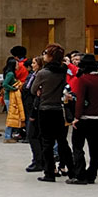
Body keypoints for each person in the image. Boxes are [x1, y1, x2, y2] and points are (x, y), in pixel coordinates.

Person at [31, 43, 74, 182]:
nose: (43, 55)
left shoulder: (43, 73)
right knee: (62, 142)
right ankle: (72, 170)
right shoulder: (63, 71)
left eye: (45, 53)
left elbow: (33, 90)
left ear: (50, 56)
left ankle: (49, 172)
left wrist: (41, 90)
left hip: (45, 109)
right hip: (59, 109)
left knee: (47, 142)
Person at [68, 54, 98, 185]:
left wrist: (76, 117)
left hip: (84, 118)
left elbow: (80, 100)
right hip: (97, 117)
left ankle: (80, 175)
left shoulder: (84, 80)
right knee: (95, 149)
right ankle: (92, 174)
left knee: (78, 147)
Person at [23, 56, 44, 172]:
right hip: (30, 105)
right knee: (34, 135)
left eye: (34, 62)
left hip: (35, 107)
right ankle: (37, 159)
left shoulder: (39, 75)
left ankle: (39, 160)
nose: (32, 64)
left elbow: (32, 90)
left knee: (33, 135)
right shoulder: (33, 74)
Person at [2, 57, 23, 143]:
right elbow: (5, 84)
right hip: (10, 97)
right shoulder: (10, 74)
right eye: (17, 64)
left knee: (11, 116)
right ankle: (7, 136)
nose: (18, 66)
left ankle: (9, 135)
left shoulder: (10, 73)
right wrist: (13, 88)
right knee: (11, 117)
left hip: (9, 97)